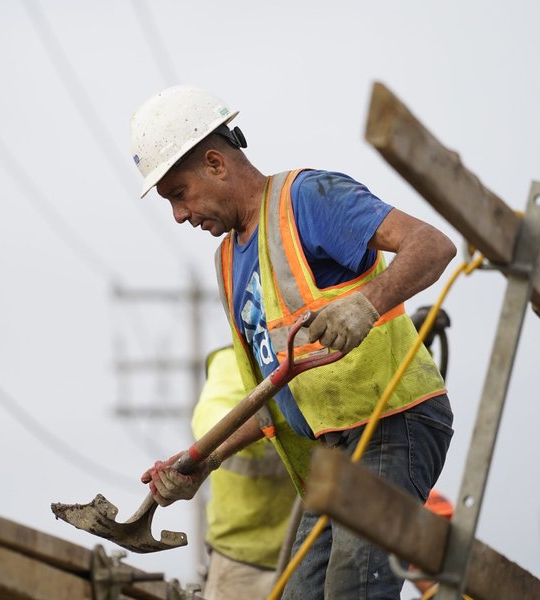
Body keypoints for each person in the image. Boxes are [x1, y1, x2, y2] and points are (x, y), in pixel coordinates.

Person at [134, 85, 457, 599]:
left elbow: (433, 245)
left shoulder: (306, 199)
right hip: (331, 453)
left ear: (216, 163)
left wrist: (366, 303)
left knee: (354, 585)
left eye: (178, 193)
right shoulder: (227, 263)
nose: (178, 215)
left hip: (391, 423)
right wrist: (202, 462)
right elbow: (271, 404)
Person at [193, 346, 298, 600]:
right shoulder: (233, 361)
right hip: (242, 560)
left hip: (313, 554)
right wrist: (268, 425)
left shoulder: (315, 354)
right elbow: (211, 423)